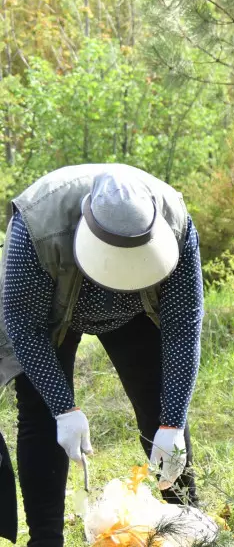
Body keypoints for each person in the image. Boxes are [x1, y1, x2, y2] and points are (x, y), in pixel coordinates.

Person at [0, 164, 203, 547]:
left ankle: (186, 523)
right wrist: (63, 408)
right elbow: (22, 324)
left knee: (158, 400)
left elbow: (183, 326)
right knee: (42, 417)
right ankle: (45, 540)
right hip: (49, 309)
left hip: (134, 311)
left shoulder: (176, 222)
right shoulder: (38, 225)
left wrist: (173, 423)